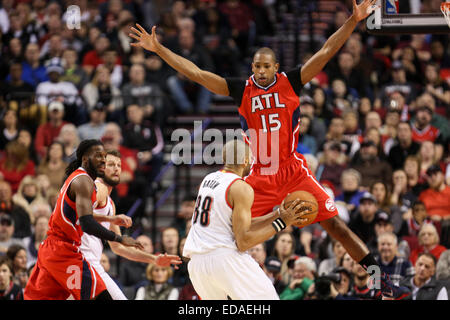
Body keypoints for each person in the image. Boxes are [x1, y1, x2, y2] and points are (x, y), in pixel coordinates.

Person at [130, 1, 411, 299]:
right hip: (260, 175)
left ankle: (381, 283)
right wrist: (159, 49)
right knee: (234, 232)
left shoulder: (291, 81)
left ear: (276, 67)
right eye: (257, 66)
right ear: (252, 67)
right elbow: (197, 73)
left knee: (336, 226)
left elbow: (326, 52)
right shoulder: (241, 88)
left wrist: (353, 21)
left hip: (291, 169)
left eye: (267, 66)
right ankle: (216, 285)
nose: (262, 71)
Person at [182, 139, 308, 300]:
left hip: (197, 264)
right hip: (224, 258)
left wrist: (278, 214)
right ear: (245, 161)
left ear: (224, 158)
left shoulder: (208, 179)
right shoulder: (240, 187)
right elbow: (244, 242)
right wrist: (282, 223)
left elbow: (234, 225)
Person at [24, 139, 144, 300]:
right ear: (85, 159)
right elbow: (87, 223)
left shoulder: (82, 179)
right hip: (63, 251)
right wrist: (119, 238)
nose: (103, 159)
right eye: (98, 156)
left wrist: (110, 218)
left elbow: (79, 217)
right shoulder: (83, 181)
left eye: (104, 156)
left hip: (53, 250)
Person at [79, 150, 182, 300]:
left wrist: (154, 259)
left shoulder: (110, 203)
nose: (116, 169)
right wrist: (111, 219)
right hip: (80, 261)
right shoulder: (97, 187)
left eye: (119, 165)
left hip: (90, 263)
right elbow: (79, 215)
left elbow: (118, 248)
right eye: (111, 164)